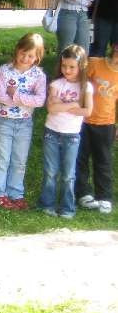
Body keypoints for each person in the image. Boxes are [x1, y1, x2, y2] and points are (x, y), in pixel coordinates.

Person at [0, 33, 47, 210]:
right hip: (3, 120)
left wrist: (14, 94)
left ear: (37, 57)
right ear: (17, 50)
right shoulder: (3, 71)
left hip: (24, 122)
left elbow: (40, 101)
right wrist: (25, 98)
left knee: (19, 160)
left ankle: (15, 193)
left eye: (31, 56)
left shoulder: (38, 75)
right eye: (23, 53)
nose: (25, 58)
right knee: (1, 158)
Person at [38, 45, 93, 219]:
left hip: (72, 135)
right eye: (64, 66)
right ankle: (47, 204)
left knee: (68, 174)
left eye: (71, 67)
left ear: (81, 66)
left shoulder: (86, 88)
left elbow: (87, 111)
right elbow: (51, 109)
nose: (67, 70)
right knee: (50, 171)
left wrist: (63, 107)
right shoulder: (56, 84)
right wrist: (73, 105)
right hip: (52, 133)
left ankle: (67, 208)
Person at [75, 43, 118, 214]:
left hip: (106, 124)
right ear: (114, 48)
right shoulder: (95, 63)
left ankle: (104, 196)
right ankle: (83, 193)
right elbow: (80, 85)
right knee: (81, 158)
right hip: (84, 121)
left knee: (104, 161)